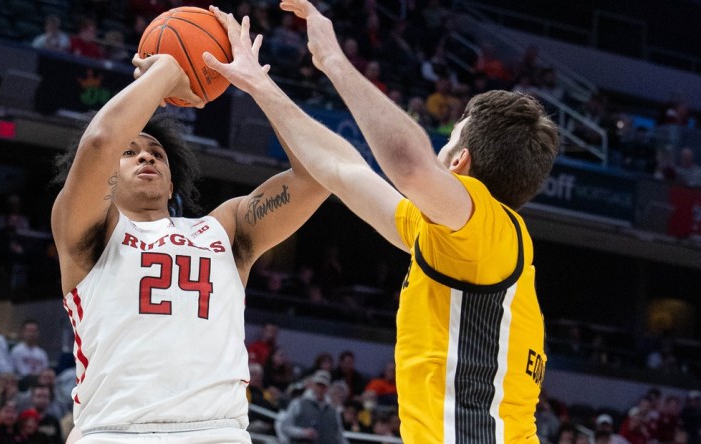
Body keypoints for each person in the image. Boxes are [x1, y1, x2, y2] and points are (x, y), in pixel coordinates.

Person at [203, 4, 558, 442]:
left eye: (446, 143)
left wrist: (334, 61)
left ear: (460, 163)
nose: (437, 153)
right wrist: (260, 84)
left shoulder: (488, 229)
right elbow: (341, 169)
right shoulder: (458, 242)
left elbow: (410, 167)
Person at [50, 45, 329, 442]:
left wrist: (261, 87)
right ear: (106, 177)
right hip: (116, 430)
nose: (146, 158)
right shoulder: (87, 230)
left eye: (157, 153)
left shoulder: (224, 228)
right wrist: (166, 70)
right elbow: (100, 142)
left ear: (171, 182)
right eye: (130, 152)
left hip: (218, 431)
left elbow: (318, 175)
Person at [276, 370, 348, 444]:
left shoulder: (333, 411)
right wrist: (303, 433)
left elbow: (340, 437)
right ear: (313, 385)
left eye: (323, 386)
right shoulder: (298, 403)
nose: (320, 389)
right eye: (318, 385)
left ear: (327, 389)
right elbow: (285, 427)